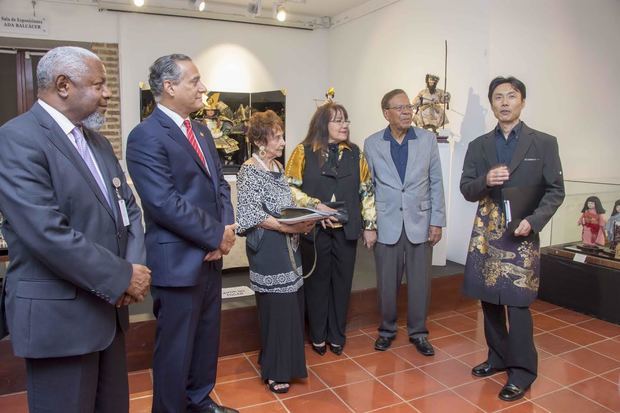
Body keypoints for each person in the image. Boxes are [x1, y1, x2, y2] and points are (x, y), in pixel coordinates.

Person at [0, 46, 150, 413]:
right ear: (63, 85)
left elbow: (128, 209)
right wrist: (121, 276)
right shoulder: (17, 139)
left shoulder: (97, 142)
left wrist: (132, 272)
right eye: (99, 84)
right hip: (61, 321)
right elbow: (46, 232)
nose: (108, 93)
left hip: (109, 313)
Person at [126, 54, 237, 413]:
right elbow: (164, 203)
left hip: (209, 257)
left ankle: (199, 401)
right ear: (169, 87)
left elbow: (219, 184)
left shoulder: (201, 130)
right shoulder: (145, 136)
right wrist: (215, 236)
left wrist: (226, 228)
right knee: (176, 349)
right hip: (178, 262)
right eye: (195, 80)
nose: (203, 88)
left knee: (206, 340)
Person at [460, 76, 565, 402]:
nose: (504, 102)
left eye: (511, 96)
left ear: (522, 101)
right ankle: (497, 357)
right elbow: (467, 189)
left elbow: (555, 191)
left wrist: (533, 222)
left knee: (518, 304)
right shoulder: (479, 145)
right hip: (487, 232)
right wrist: (485, 180)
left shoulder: (544, 142)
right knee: (488, 297)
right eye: (498, 97)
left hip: (522, 231)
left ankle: (522, 371)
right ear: (492, 104)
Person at [285, 102, 377, 356]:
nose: (344, 125)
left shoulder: (355, 154)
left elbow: (366, 191)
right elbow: (290, 188)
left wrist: (370, 225)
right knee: (317, 283)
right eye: (337, 120)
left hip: (347, 230)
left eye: (346, 120)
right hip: (314, 230)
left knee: (342, 282)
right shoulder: (303, 152)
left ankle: (336, 334)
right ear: (322, 125)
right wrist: (315, 206)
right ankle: (317, 334)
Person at [236, 110, 314, 393]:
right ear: (260, 140)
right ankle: (275, 370)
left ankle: (281, 360)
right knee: (277, 307)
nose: (282, 142)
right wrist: (285, 228)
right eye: (277, 137)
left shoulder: (278, 168)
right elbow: (249, 213)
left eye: (282, 136)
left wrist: (304, 218)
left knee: (291, 305)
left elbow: (287, 202)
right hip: (267, 247)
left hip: (288, 247)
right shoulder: (249, 170)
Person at [363, 89, 445, 355]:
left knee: (420, 283)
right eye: (399, 108)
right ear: (386, 113)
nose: (407, 111)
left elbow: (436, 182)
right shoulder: (372, 143)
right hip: (386, 223)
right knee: (387, 285)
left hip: (420, 221)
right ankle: (386, 330)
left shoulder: (427, 140)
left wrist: (437, 221)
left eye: (409, 106)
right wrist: (370, 225)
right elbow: (368, 188)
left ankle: (419, 332)